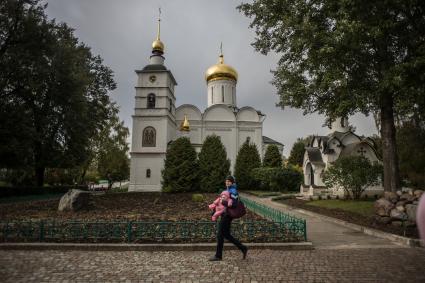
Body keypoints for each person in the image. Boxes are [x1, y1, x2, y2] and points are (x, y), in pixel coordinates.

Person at [208, 175, 248, 261]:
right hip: (224, 214)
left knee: (220, 235)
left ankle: (218, 256)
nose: (227, 182)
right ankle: (243, 248)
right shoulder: (227, 190)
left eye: (229, 181)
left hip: (228, 215)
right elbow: (219, 203)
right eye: (226, 181)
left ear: (232, 182)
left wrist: (223, 202)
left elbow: (233, 204)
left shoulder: (233, 191)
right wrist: (215, 211)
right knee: (226, 234)